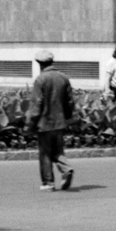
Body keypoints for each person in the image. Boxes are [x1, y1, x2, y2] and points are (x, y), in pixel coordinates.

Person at [27, 50, 75, 191]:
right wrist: (68, 117)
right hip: (60, 122)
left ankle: (48, 183)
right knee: (58, 150)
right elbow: (70, 102)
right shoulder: (63, 78)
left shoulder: (41, 80)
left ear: (39, 64)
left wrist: (29, 124)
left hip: (45, 122)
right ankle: (66, 169)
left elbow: (36, 104)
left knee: (46, 152)